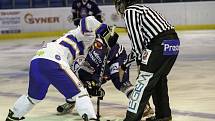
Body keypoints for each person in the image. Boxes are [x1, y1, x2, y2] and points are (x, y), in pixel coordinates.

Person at [5, 16, 116, 121]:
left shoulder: (81, 52)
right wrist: (105, 31)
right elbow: (88, 20)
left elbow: (71, 75)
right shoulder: (85, 35)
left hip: (37, 61)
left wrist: (90, 85)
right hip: (54, 61)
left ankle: (13, 116)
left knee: (33, 97)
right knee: (81, 94)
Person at [114, 0, 180, 121]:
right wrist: (124, 66)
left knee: (143, 82)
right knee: (158, 80)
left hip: (159, 44)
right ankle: (164, 116)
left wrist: (140, 64)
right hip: (173, 43)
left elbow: (137, 44)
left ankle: (131, 118)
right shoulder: (143, 9)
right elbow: (141, 46)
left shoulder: (130, 11)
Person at [56, 38, 154, 118]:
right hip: (97, 62)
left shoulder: (87, 51)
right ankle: (71, 101)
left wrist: (95, 84)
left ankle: (143, 105)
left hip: (116, 56)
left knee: (121, 83)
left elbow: (101, 68)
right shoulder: (66, 59)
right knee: (77, 82)